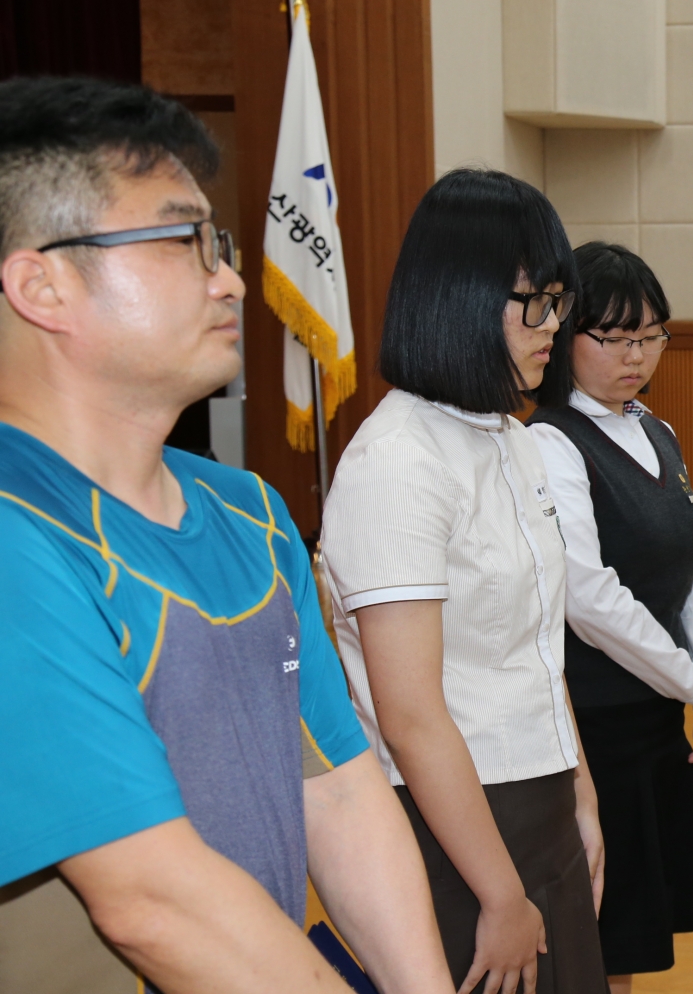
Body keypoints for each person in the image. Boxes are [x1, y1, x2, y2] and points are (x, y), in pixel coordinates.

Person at [0, 76, 453, 993]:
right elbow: (152, 901)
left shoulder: (248, 509)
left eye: (222, 241)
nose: (232, 278)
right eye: (182, 239)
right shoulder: (19, 535)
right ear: (40, 283)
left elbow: (338, 785)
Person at [320, 168, 608, 994]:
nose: (554, 326)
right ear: (459, 297)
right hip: (454, 827)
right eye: (536, 303)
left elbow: (537, 655)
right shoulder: (398, 460)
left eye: (560, 301)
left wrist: (581, 794)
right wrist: (500, 892)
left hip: (540, 796)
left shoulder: (511, 439)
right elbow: (411, 716)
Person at [526, 243, 693, 994]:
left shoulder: (656, 429)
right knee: (603, 936)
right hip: (598, 725)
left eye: (650, 335)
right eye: (613, 337)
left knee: (636, 932)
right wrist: (692, 678)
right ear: (564, 336)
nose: (636, 355)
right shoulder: (549, 441)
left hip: (654, 715)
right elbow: (588, 596)